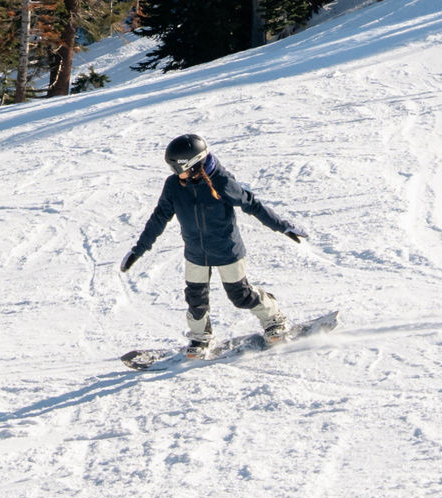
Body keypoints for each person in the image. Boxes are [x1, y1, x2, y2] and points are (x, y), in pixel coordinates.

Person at [121, 134, 312, 356]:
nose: (175, 174)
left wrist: (283, 226)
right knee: (195, 299)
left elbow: (253, 205)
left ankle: (273, 318)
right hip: (195, 253)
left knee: (240, 296)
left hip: (227, 250)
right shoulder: (174, 186)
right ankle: (201, 337)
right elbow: (158, 219)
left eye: (178, 168)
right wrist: (138, 250)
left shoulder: (221, 182)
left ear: (194, 165)